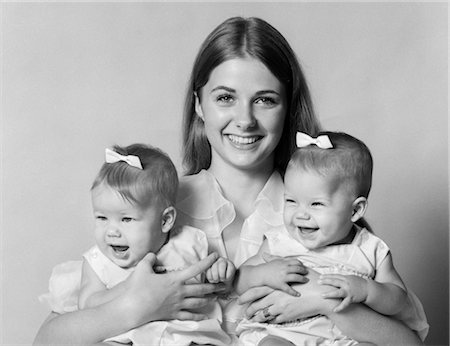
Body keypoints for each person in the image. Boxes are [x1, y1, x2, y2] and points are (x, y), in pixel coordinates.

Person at [34, 16, 427, 345]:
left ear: (288, 108)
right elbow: (47, 338)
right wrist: (137, 306)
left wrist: (326, 303)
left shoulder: (318, 217)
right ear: (199, 106)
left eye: (265, 99)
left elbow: (409, 341)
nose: (245, 119)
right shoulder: (155, 206)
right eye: (225, 98)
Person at [235, 131, 426, 346]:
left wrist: (368, 290)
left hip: (346, 338)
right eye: (291, 201)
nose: (301, 214)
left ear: (355, 210)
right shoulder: (279, 241)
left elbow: (398, 300)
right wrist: (264, 273)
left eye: (316, 204)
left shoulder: (371, 249)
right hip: (285, 334)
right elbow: (239, 279)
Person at [39, 144, 233, 345]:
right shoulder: (99, 260)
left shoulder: (188, 241)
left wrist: (219, 273)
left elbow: (212, 285)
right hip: (126, 337)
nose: (112, 231)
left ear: (165, 220)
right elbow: (87, 303)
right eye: (102, 217)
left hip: (187, 336)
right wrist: (130, 289)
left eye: (126, 219)